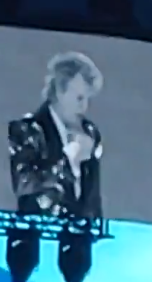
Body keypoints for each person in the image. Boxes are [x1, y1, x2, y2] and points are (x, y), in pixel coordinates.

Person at [7, 51, 104, 224]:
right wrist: (67, 161)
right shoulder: (27, 130)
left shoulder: (90, 132)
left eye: (88, 99)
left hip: (81, 235)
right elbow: (24, 186)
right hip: (40, 233)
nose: (84, 107)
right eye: (79, 98)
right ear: (59, 91)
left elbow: (93, 199)